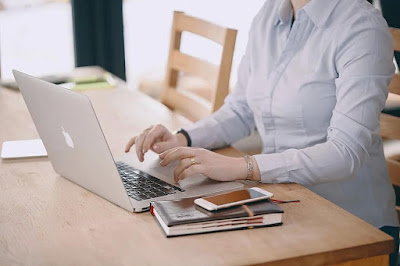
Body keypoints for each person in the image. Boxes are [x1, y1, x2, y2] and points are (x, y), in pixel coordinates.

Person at [126, 0, 399, 264]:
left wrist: (244, 166)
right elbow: (241, 109)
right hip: (283, 201)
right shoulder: (269, 14)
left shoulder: (361, 27)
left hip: (353, 226)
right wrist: (182, 138)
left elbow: (346, 152)